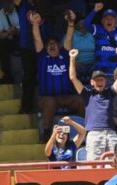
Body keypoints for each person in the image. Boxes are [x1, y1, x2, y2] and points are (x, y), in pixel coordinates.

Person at [32, 10, 85, 142]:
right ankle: (46, 132)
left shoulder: (65, 55)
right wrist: (35, 23)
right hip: (47, 97)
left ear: (59, 46)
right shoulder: (42, 56)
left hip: (67, 96)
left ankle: (88, 129)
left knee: (81, 100)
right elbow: (37, 38)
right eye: (49, 44)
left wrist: (71, 23)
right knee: (50, 102)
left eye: (54, 43)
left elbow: (69, 37)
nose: (51, 45)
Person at [68, 45, 117, 161]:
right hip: (94, 133)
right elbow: (73, 78)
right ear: (91, 82)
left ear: (105, 81)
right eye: (97, 80)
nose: (99, 82)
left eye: (102, 79)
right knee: (94, 165)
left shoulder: (110, 92)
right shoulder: (87, 94)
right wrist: (72, 59)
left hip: (111, 133)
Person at [0, 0, 19, 84]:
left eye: (9, 3)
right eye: (5, 4)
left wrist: (16, 31)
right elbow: (0, 35)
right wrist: (9, 32)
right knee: (0, 44)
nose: (7, 6)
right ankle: (7, 75)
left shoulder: (20, 12)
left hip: (22, 39)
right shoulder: (0, 14)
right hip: (10, 40)